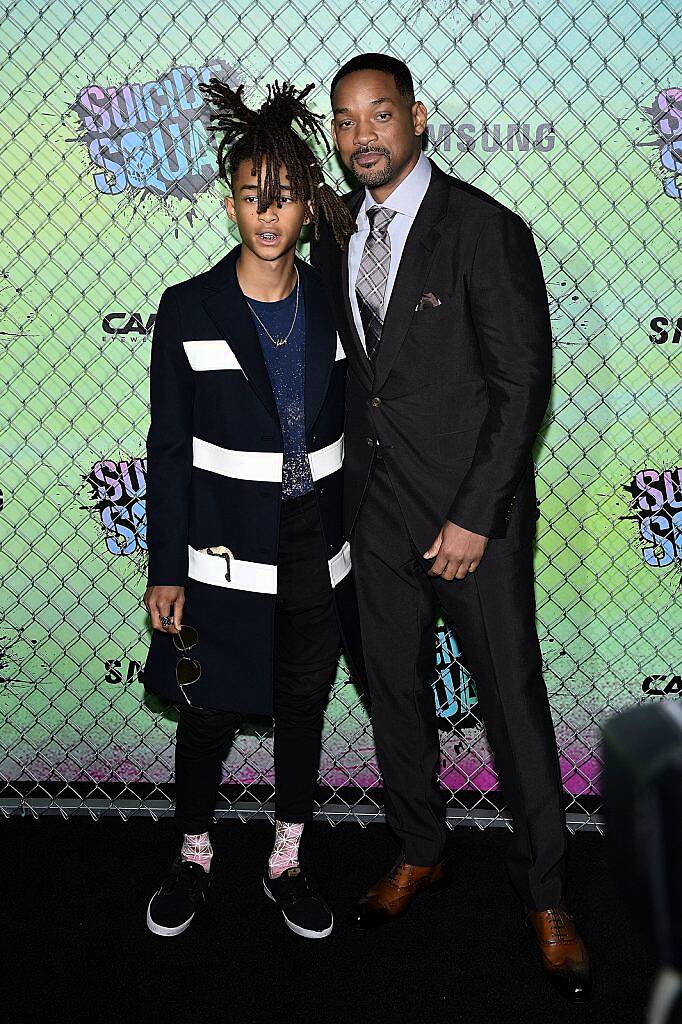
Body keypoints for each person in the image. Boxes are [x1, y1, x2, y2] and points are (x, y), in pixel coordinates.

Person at [310, 53, 592, 1001]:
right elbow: (366, 381)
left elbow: (521, 389)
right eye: (346, 123)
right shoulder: (335, 232)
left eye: (379, 116)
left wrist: (476, 515)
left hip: (474, 521)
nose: (363, 137)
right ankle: (420, 846)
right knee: (394, 694)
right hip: (375, 517)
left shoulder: (486, 230)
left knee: (511, 704)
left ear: (417, 119)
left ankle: (547, 891)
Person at [142, 78, 361, 940]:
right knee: (208, 713)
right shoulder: (186, 309)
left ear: (308, 206)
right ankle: (193, 855)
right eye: (249, 197)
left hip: (317, 545)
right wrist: (166, 569)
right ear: (229, 204)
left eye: (283, 197)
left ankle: (288, 859)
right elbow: (169, 450)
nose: (266, 215)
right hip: (221, 550)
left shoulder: (337, 296)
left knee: (302, 705)